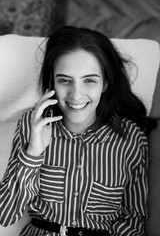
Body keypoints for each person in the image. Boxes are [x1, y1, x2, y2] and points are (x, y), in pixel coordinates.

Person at [0, 26, 157, 236]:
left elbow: (133, 218)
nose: (76, 95)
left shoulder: (131, 138)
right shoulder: (33, 123)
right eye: (64, 80)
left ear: (106, 83)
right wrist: (33, 153)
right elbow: (7, 214)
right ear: (52, 81)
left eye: (89, 80)